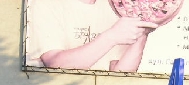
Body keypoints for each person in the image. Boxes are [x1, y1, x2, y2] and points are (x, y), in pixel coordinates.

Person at [26, 0, 158, 72]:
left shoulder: (116, 7)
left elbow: (120, 72)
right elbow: (55, 63)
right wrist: (111, 37)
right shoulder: (46, 3)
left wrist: (142, 32)